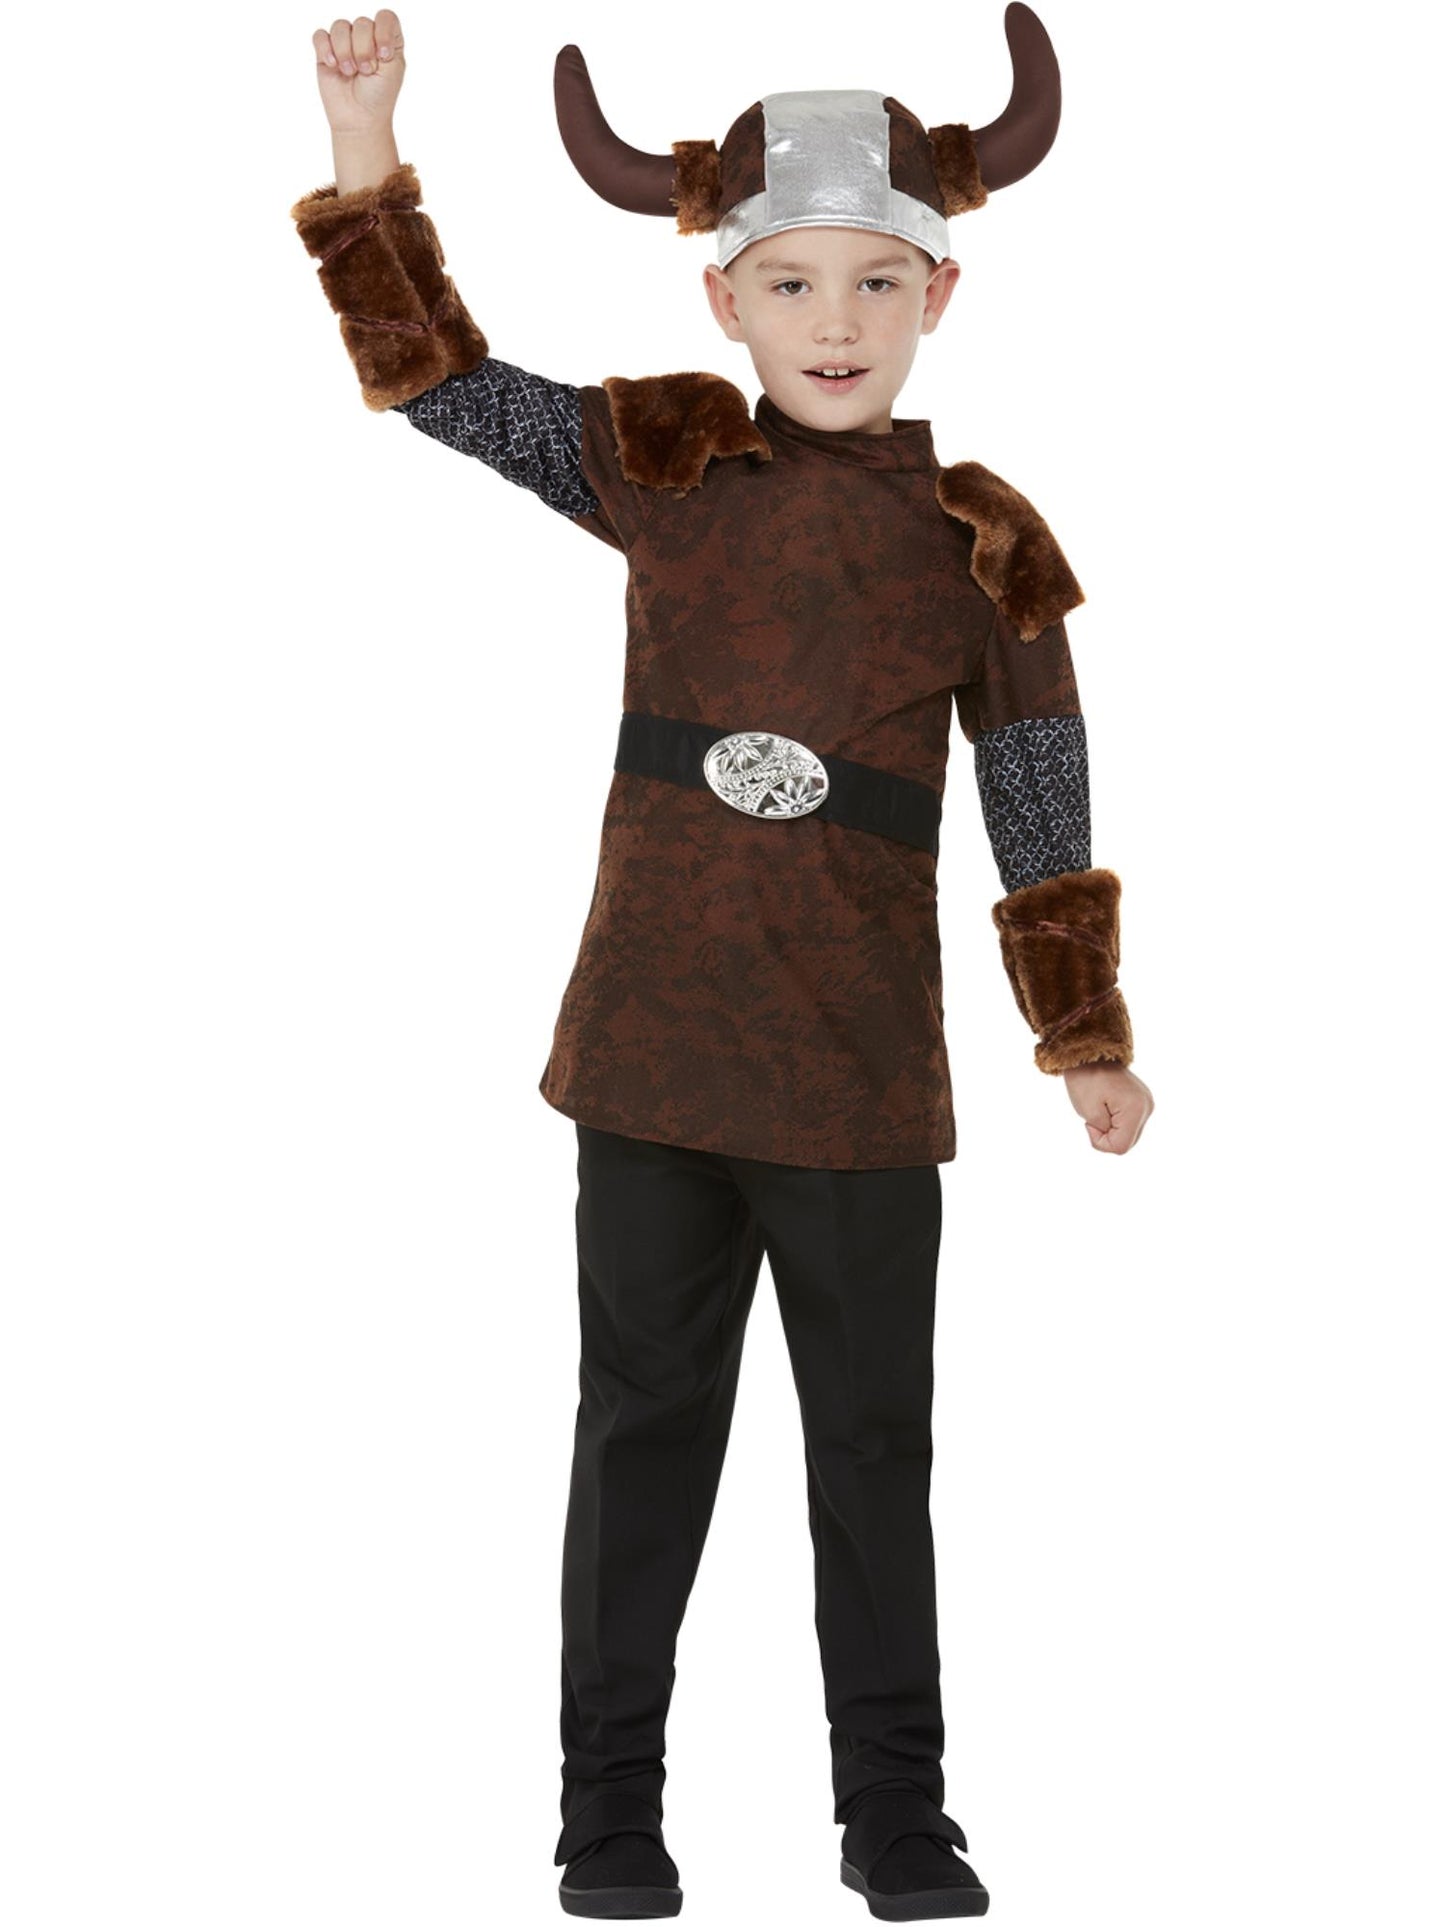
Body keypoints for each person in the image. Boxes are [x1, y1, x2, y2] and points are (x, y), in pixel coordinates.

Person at [290, 8, 1155, 1918]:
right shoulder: (662, 459)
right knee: (643, 1434)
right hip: (651, 1064)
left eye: (874, 282)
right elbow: (441, 385)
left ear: (939, 292)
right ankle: (607, 1812)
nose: (832, 320)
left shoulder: (981, 539)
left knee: (870, 1453)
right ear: (724, 299)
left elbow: (1038, 792)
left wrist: (1080, 1036)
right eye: (789, 284)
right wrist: (365, 148)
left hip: (858, 1082)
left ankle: (896, 1817)